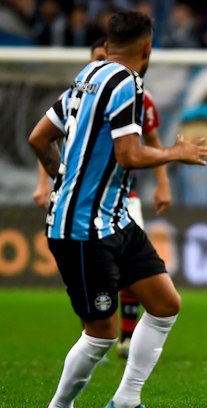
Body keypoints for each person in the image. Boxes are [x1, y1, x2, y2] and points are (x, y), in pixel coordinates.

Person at [28, 11, 207, 408]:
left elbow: (38, 137)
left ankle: (126, 403)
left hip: (115, 219)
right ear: (148, 50)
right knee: (102, 333)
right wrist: (174, 153)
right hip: (81, 229)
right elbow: (129, 155)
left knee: (165, 303)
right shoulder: (127, 84)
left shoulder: (87, 74)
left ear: (107, 45)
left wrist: (61, 181)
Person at [32, 37, 173, 359]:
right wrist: (49, 182)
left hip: (124, 200)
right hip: (82, 208)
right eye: (98, 57)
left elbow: (150, 138)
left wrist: (163, 182)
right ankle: (98, 333)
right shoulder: (77, 95)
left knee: (138, 273)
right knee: (101, 284)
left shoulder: (139, 97)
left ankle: (124, 336)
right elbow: (48, 140)